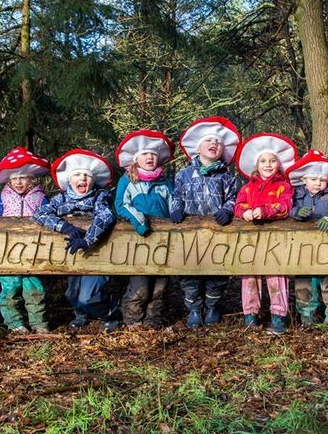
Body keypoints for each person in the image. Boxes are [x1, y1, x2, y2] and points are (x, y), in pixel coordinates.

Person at [34, 149, 118, 332]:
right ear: (69, 180)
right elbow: (40, 213)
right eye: (78, 175)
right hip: (72, 253)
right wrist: (65, 227)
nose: (82, 178)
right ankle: (81, 315)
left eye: (87, 175)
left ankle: (109, 314)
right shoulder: (60, 199)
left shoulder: (99, 196)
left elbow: (106, 216)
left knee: (88, 296)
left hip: (96, 252)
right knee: (72, 294)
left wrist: (87, 239)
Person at [170, 116, 241, 328]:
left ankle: (212, 306)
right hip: (190, 232)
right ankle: (194, 309)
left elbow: (233, 198)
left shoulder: (226, 176)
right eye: (208, 141)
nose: (214, 144)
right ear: (198, 148)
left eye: (218, 142)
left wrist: (227, 210)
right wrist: (176, 210)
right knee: (189, 274)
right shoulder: (184, 174)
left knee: (216, 273)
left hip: (217, 231)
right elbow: (177, 196)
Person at [234, 133, 297, 335]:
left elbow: (285, 205)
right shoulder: (247, 187)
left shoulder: (283, 186)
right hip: (251, 240)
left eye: (272, 161)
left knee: (276, 274)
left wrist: (266, 210)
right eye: (263, 161)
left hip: (275, 240)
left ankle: (278, 316)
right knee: (249, 275)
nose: (268, 164)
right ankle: (250, 314)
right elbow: (238, 206)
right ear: (256, 165)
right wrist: (245, 212)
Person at [114, 130, 175, 328]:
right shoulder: (128, 181)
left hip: (164, 240)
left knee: (160, 285)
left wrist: (177, 214)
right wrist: (139, 220)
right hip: (139, 240)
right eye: (145, 154)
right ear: (136, 158)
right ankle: (132, 319)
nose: (149, 157)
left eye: (153, 154)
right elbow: (121, 205)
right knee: (140, 284)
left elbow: (174, 204)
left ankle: (152, 320)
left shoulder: (165, 183)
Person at [0, 147, 51, 334]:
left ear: (32, 178)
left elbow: (48, 220)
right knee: (10, 287)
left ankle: (39, 322)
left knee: (34, 287)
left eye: (23, 177)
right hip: (8, 251)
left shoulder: (41, 198)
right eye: (14, 178)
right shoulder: (1, 199)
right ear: (8, 180)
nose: (18, 182)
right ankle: (14, 323)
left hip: (34, 251)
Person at [286, 150, 328, 326]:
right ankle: (307, 317)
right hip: (303, 248)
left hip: (327, 246)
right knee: (305, 283)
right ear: (304, 180)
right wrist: (297, 212)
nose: (317, 183)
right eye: (313, 179)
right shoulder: (297, 195)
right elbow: (286, 209)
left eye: (321, 180)